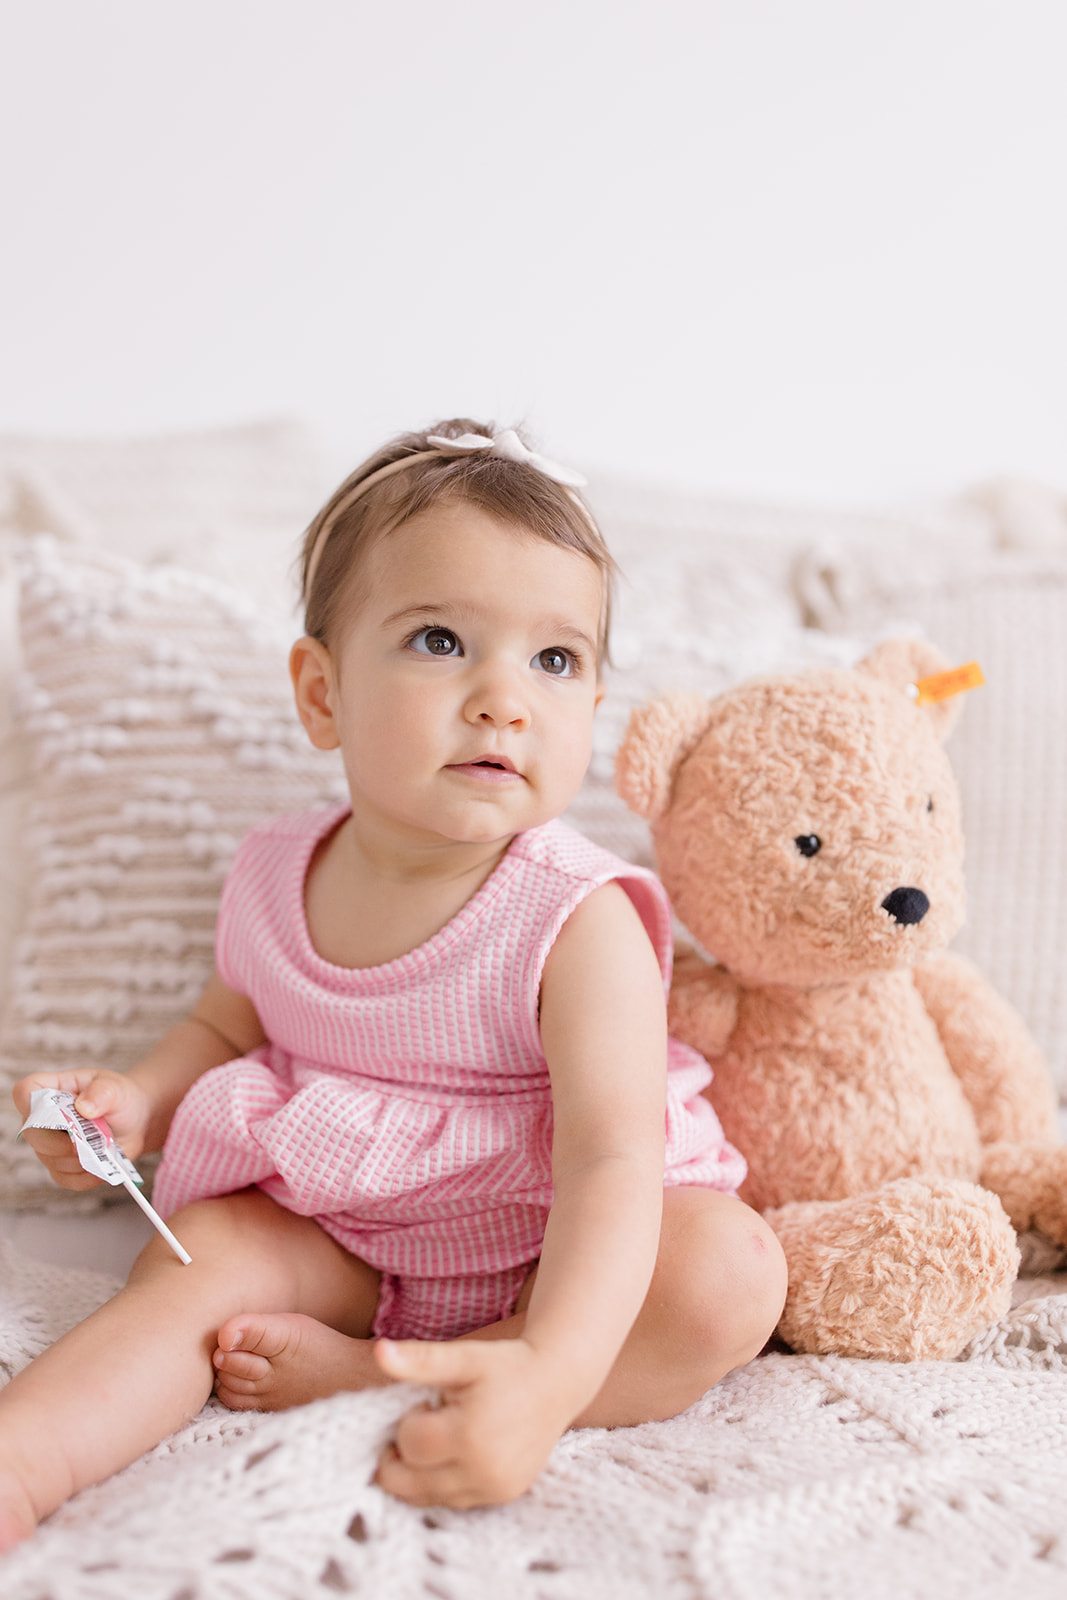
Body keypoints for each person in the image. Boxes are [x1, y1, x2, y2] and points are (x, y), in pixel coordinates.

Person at [0, 420, 786, 1546]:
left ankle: (402, 1379)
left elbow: (612, 1157)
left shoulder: (577, 915)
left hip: (552, 1245)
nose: (503, 698)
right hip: (342, 1236)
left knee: (724, 1274)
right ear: (320, 693)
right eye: (438, 639)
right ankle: (24, 1458)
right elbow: (230, 1022)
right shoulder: (277, 868)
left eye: (553, 660)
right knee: (209, 1256)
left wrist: (554, 1369)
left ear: (591, 712)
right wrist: (135, 1097)